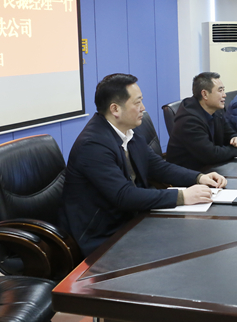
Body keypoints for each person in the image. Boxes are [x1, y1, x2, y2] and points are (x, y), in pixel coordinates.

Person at [59, 74, 227, 257]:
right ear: (115, 109)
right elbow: (123, 195)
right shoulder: (93, 145)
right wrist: (182, 196)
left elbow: (158, 166)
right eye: (137, 102)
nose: (143, 108)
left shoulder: (128, 132)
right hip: (105, 233)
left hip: (133, 217)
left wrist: (199, 177)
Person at [166, 72, 237, 171]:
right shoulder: (189, 121)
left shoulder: (216, 111)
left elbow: (231, 133)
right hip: (187, 173)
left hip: (209, 168)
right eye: (220, 91)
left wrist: (236, 139)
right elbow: (210, 155)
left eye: (224, 90)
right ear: (205, 94)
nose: (224, 95)